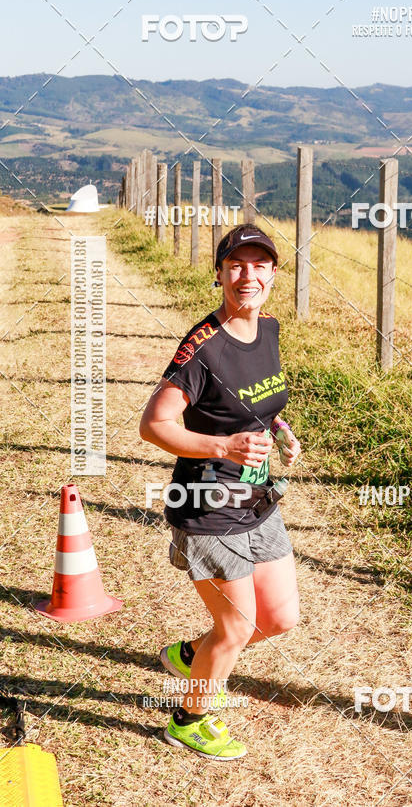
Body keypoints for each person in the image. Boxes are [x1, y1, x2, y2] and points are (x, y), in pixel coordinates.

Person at [139, 223, 301, 760]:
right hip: (207, 506)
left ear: (274, 275)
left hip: (256, 499)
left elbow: (260, 403)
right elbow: (154, 425)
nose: (247, 276)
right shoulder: (201, 348)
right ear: (219, 274)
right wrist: (222, 448)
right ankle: (189, 717)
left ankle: (194, 655)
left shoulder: (270, 329)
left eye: (259, 265)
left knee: (278, 618)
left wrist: (279, 431)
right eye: (236, 265)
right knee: (237, 625)